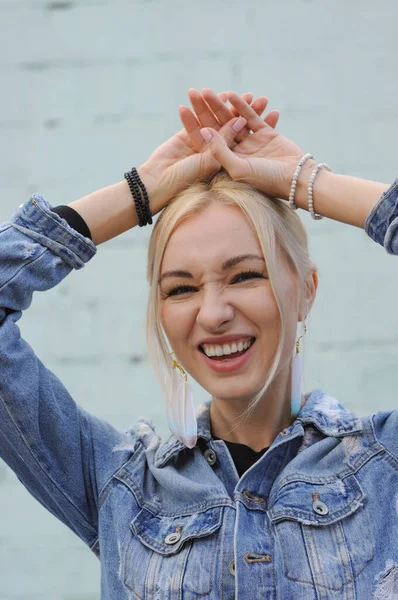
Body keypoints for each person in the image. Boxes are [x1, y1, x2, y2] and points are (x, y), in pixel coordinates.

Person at [0, 87, 397, 599]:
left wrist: (308, 182)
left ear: (306, 292)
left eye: (245, 276)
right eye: (181, 289)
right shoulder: (121, 488)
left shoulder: (384, 464)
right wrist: (140, 192)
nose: (212, 313)